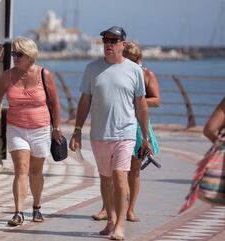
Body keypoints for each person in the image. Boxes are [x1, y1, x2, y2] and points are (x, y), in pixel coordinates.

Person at [69, 26, 152, 240]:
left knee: (120, 175)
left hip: (125, 134)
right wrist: (77, 130)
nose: (108, 44)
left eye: (113, 41)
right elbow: (85, 101)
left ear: (123, 44)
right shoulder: (91, 68)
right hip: (99, 135)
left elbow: (141, 105)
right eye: (105, 40)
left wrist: (146, 137)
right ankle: (110, 221)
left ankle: (120, 227)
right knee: (105, 180)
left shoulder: (134, 70)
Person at [0, 37, 62, 226]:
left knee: (36, 172)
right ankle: (18, 212)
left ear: (30, 56)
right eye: (13, 53)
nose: (15, 57)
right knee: (21, 169)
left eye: (19, 54)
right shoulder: (7, 76)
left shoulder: (44, 75)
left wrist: (57, 128)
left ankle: (37, 207)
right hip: (16, 129)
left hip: (41, 129)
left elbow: (54, 103)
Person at [92, 42, 160, 222]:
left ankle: (130, 209)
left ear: (139, 59)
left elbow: (156, 99)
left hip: (138, 126)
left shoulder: (145, 74)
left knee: (134, 170)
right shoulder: (116, 71)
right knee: (114, 170)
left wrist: (138, 101)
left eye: (132, 60)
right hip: (117, 124)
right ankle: (107, 209)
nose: (128, 63)